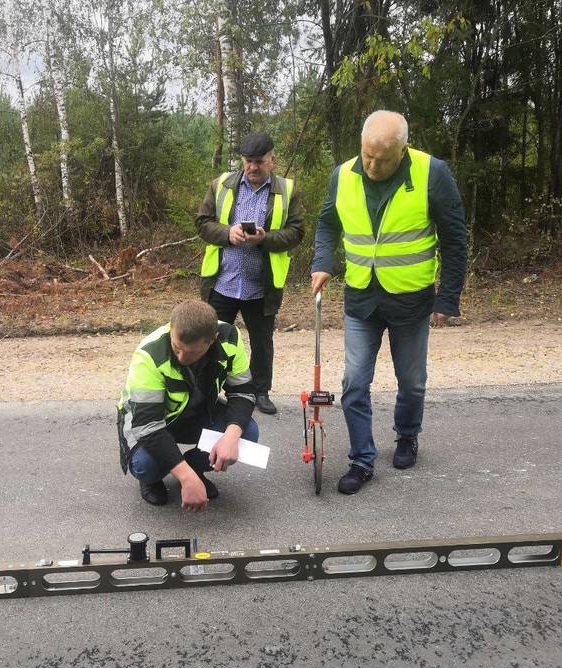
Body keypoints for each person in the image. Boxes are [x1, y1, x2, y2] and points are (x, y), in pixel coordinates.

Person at [311, 110, 467, 494]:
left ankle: (407, 436)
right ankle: (362, 460)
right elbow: (328, 223)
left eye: (382, 159)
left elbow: (454, 237)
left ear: (402, 150)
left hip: (411, 299)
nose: (372, 165)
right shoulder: (343, 175)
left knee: (412, 383)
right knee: (354, 384)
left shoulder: (433, 173)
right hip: (361, 297)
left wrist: (447, 296)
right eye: (367, 155)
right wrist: (323, 262)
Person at [196, 132, 305, 415]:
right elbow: (203, 223)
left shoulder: (287, 190)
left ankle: (260, 392)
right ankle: (208, 392)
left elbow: (296, 233)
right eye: (248, 161)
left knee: (261, 343)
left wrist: (265, 238)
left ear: (272, 160)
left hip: (262, 286)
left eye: (259, 161)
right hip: (222, 283)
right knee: (212, 339)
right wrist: (226, 233)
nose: (253, 167)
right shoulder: (220, 185)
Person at [117, 299, 259, 511]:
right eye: (177, 348)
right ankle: (159, 477)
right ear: (172, 328)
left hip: (197, 412)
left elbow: (243, 392)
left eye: (192, 353)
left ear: (213, 340)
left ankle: (194, 467)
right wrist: (186, 479)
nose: (182, 357)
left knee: (246, 433)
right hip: (150, 424)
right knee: (146, 466)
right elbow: (148, 426)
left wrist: (230, 437)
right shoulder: (148, 355)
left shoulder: (230, 338)